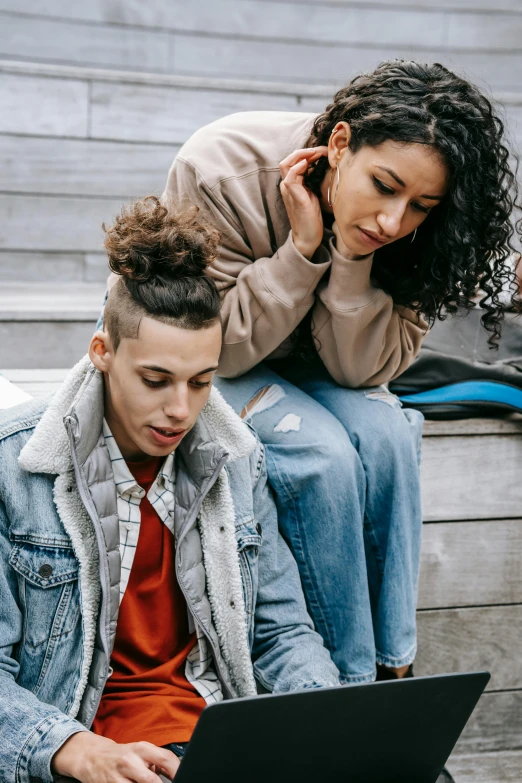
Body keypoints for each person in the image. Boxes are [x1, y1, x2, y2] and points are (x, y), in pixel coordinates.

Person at [157, 59, 521, 693]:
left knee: (385, 435)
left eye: (420, 207)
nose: (393, 221)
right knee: (321, 453)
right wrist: (300, 253)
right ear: (343, 143)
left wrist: (350, 258)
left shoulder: (421, 232)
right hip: (214, 361)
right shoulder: (219, 168)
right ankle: (349, 690)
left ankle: (396, 670)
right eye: (384, 185)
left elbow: (365, 373)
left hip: (322, 368)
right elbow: (211, 350)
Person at [0, 197, 340, 783]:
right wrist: (73, 750)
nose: (179, 409)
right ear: (102, 352)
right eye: (155, 380)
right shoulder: (15, 467)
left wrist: (330, 721)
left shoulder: (236, 460)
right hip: (88, 755)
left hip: (219, 740)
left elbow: (281, 631)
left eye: (201, 381)